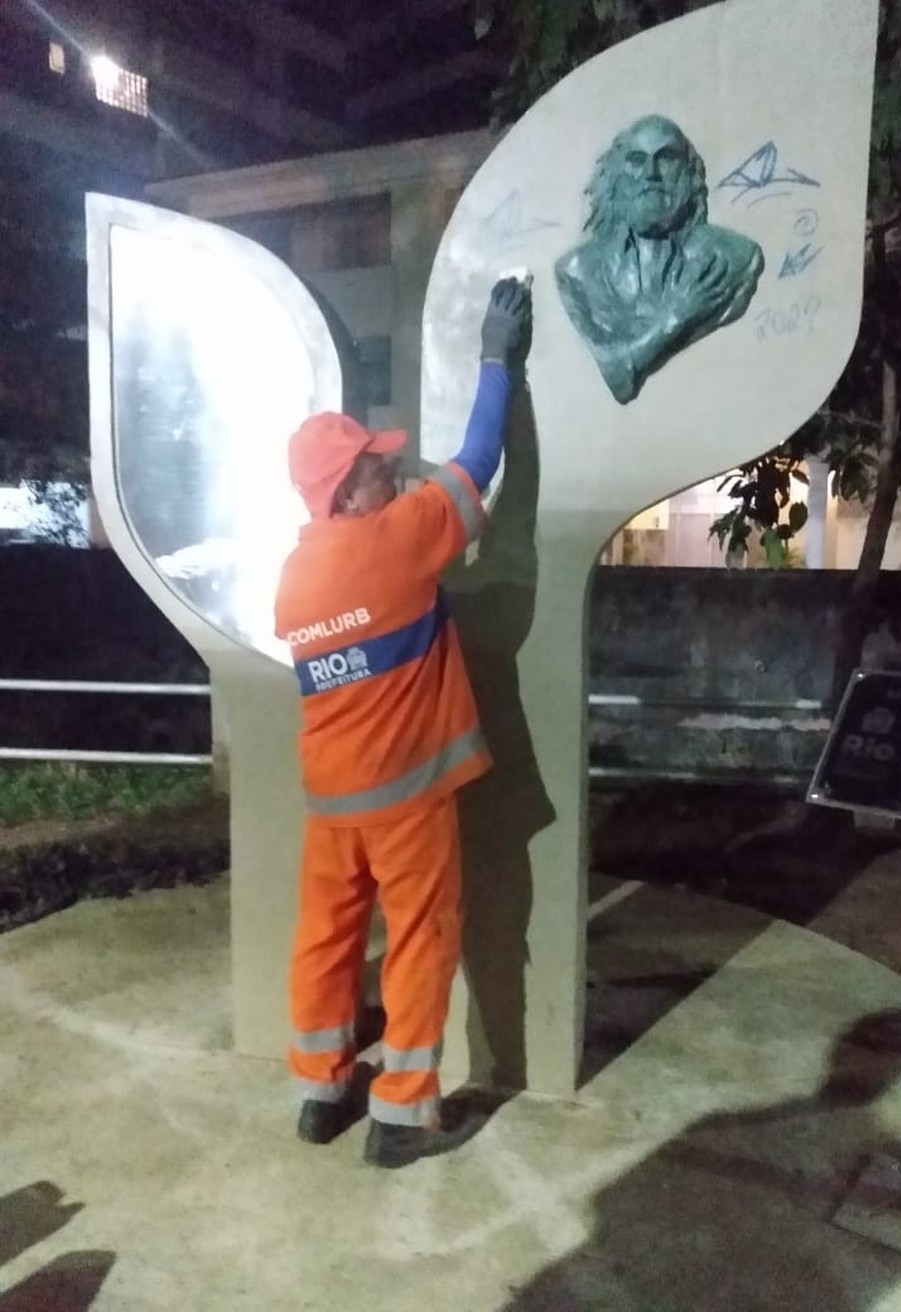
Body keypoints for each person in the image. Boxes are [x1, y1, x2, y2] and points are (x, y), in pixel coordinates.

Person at [274, 277, 532, 1169]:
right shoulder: (398, 536)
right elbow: (481, 455)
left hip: (331, 798)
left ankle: (318, 1091)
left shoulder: (297, 575)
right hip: (407, 798)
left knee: (327, 935)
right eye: (377, 464)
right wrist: (499, 357)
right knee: (422, 937)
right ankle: (398, 1115)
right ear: (348, 488)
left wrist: (403, 500)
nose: (392, 466)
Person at [555, 114, 764, 404]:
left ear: (689, 174)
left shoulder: (734, 259)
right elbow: (619, 379)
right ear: (617, 176)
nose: (650, 173)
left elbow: (624, 365)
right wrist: (677, 316)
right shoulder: (578, 272)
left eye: (666, 158)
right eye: (636, 160)